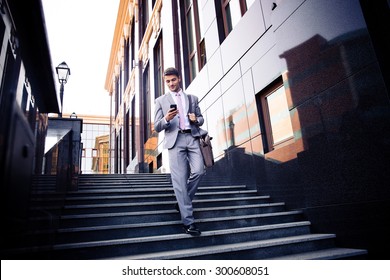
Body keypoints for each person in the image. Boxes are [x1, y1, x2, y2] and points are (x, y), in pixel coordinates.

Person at [154, 67, 205, 236]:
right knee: (180, 182)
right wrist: (166, 119)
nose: (170, 84)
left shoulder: (192, 98)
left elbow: (201, 118)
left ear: (179, 79)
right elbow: (156, 126)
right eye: (167, 81)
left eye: (173, 80)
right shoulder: (160, 101)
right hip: (175, 142)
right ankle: (189, 223)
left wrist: (195, 119)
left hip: (192, 138)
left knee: (199, 171)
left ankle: (183, 201)